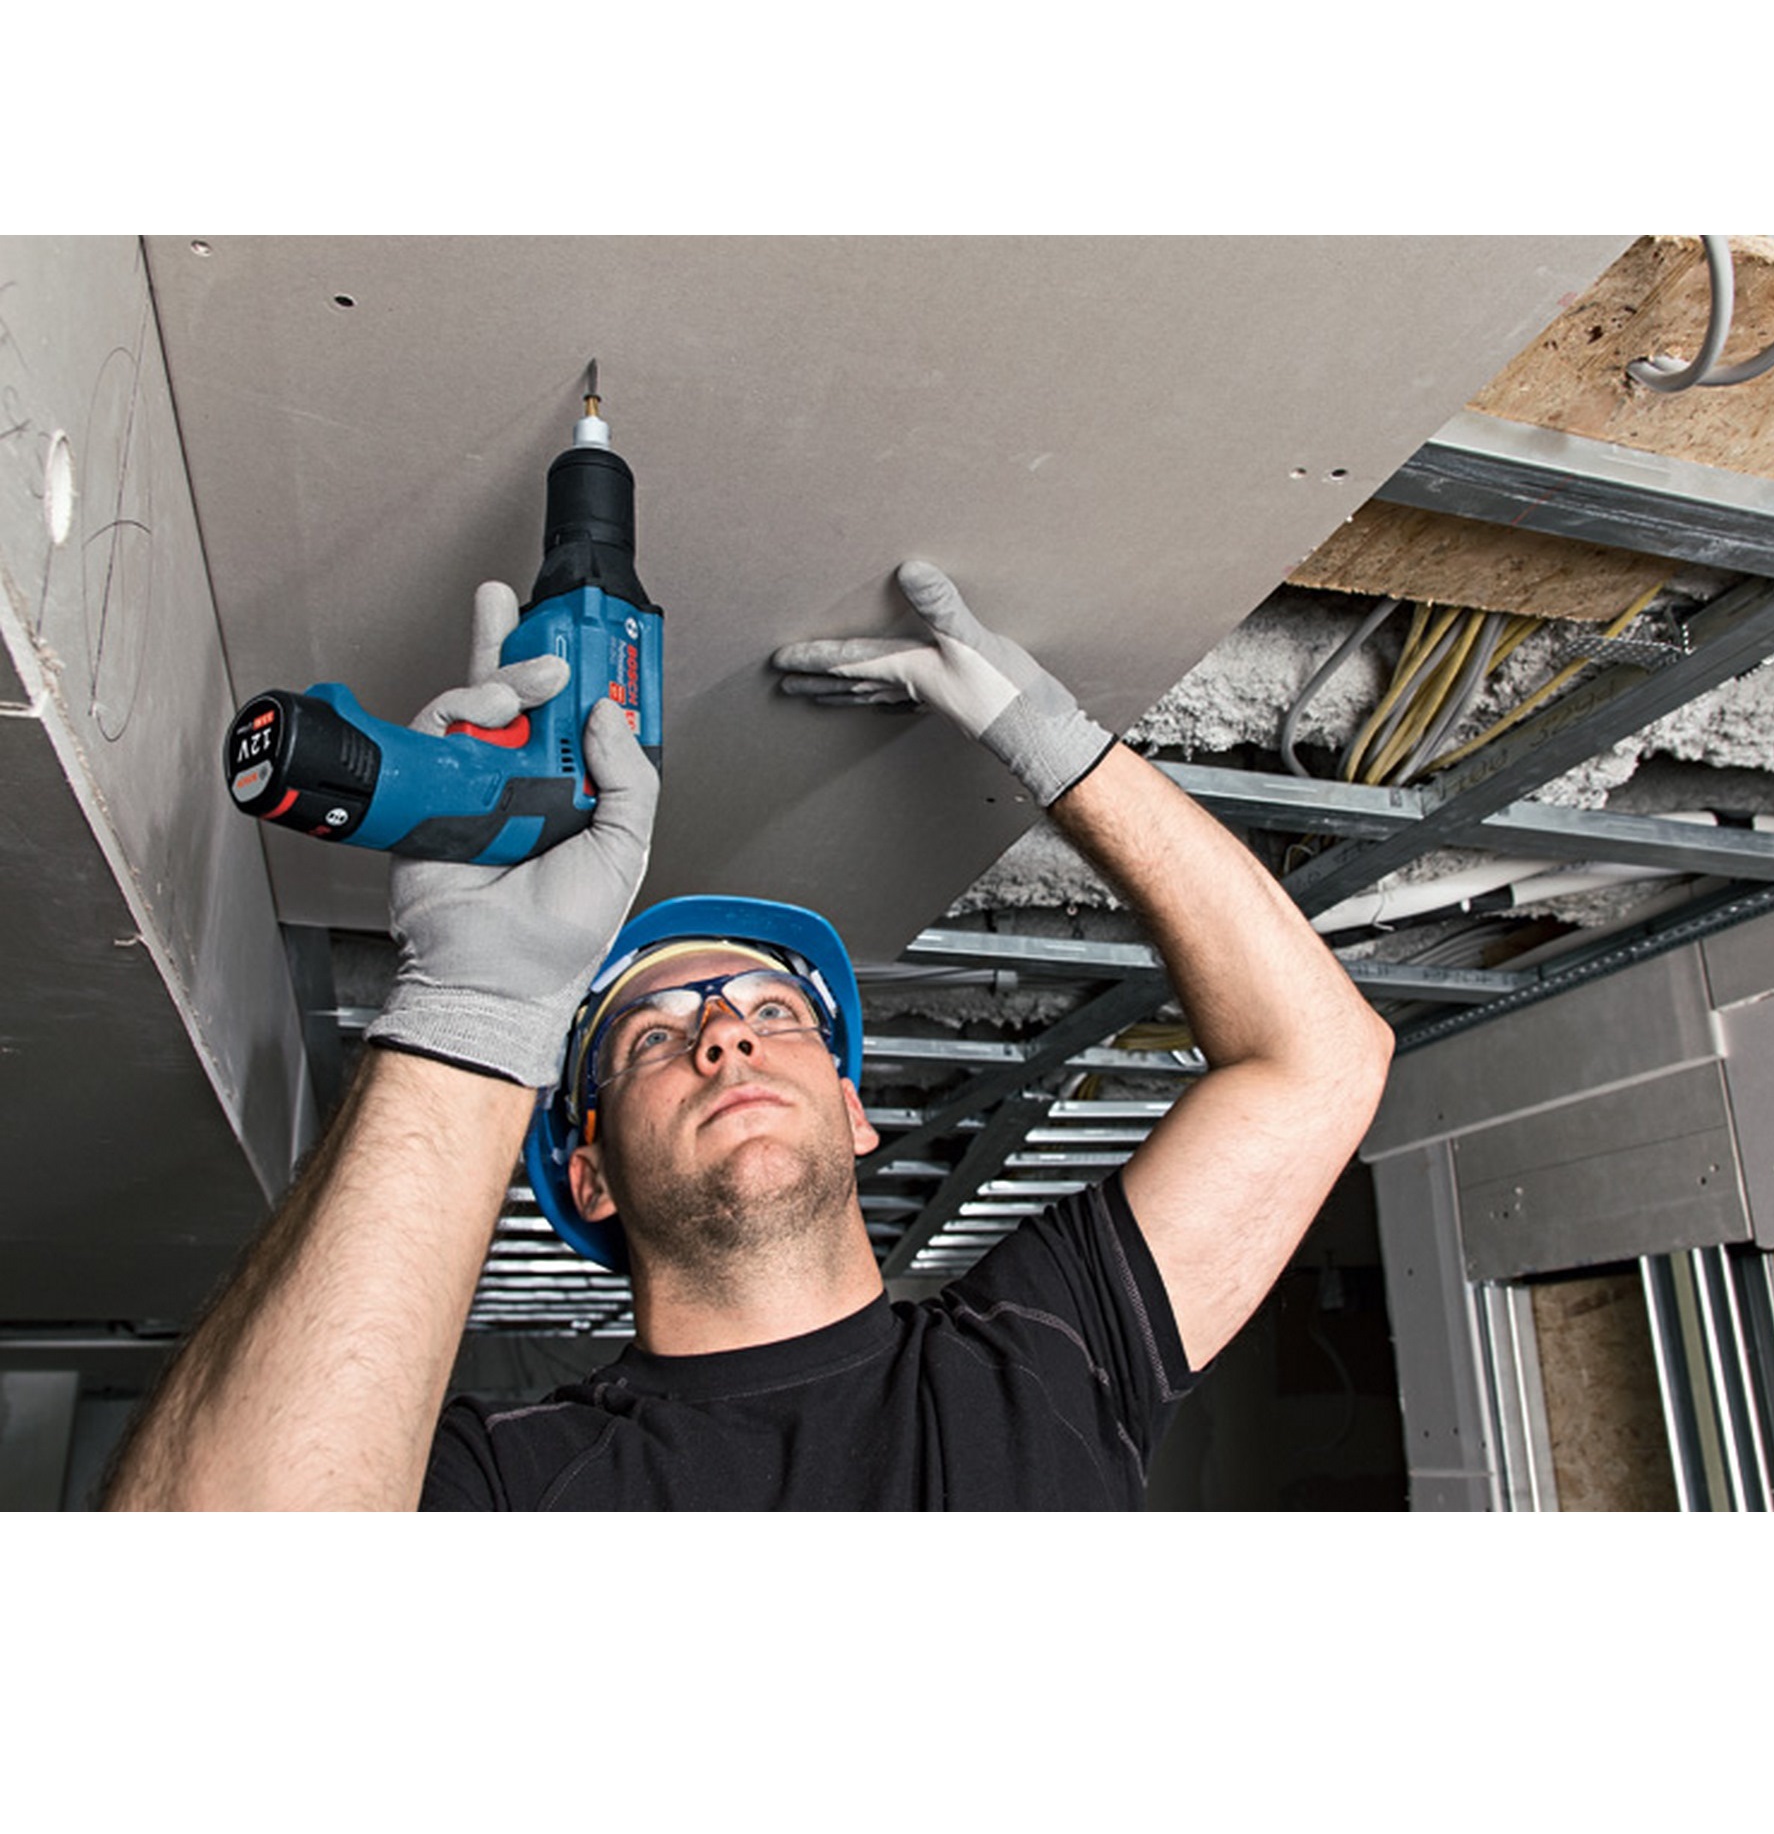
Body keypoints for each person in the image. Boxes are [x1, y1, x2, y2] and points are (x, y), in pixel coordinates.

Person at [103, 563, 1392, 1510]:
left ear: (855, 1110)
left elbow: (1325, 1060)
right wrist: (472, 1006)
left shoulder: (1049, 1354)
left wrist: (1052, 742)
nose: (724, 1036)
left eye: (774, 1013)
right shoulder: (516, 1486)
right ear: (589, 1174)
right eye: (654, 1039)